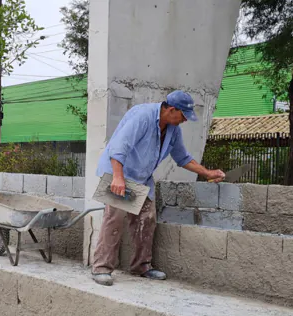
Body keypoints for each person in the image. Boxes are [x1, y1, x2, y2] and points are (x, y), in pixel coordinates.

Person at [92, 90, 225, 286]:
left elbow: (182, 157)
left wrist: (207, 173)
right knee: (115, 219)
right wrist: (118, 178)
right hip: (120, 172)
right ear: (171, 110)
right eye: (183, 116)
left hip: (142, 177)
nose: (185, 121)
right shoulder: (142, 116)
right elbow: (119, 147)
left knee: (147, 219)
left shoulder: (172, 129)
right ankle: (101, 268)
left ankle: (141, 266)